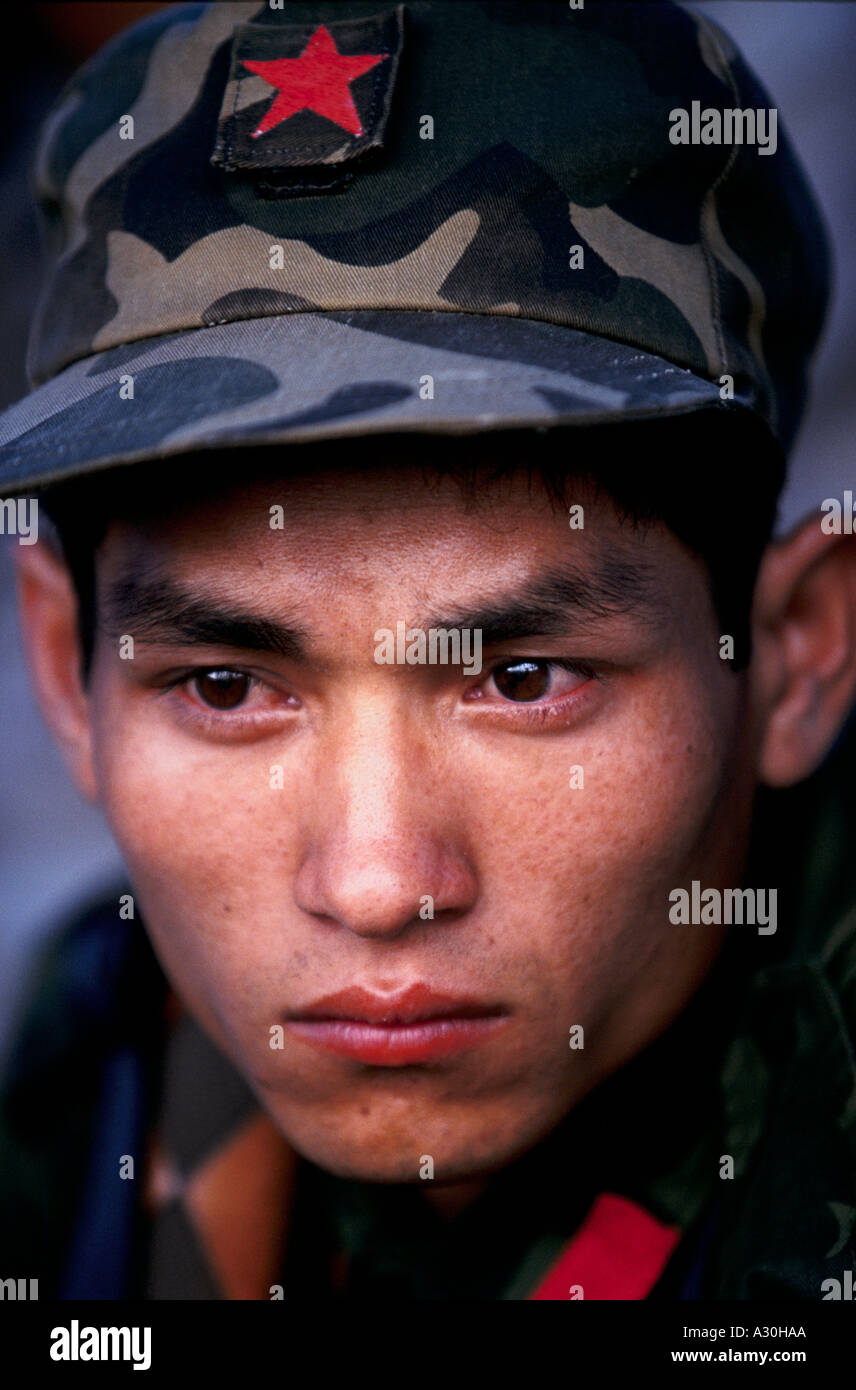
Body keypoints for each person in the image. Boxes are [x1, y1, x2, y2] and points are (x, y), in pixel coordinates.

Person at [1, 0, 853, 1301]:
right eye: (226, 687)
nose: (379, 882)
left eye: (524, 679)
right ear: (65, 667)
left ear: (794, 652)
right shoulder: (103, 1039)